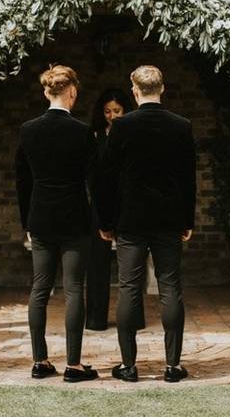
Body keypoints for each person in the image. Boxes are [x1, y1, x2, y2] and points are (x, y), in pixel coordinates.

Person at [97, 65, 196, 383]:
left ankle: (128, 366)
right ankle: (172, 366)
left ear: (135, 91)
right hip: (168, 219)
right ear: (162, 89)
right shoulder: (181, 126)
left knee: (128, 289)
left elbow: (107, 179)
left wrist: (105, 220)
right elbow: (188, 179)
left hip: (130, 221)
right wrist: (187, 219)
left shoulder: (121, 126)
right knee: (170, 288)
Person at [15, 65, 99, 383]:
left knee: (40, 288)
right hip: (75, 216)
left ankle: (40, 361)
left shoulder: (27, 130)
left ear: (46, 92)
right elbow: (96, 179)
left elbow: (22, 182)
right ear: (72, 91)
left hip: (40, 217)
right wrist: (103, 218)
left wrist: (27, 220)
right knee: (74, 288)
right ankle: (74, 366)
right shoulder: (83, 132)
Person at [85, 88, 142, 331]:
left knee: (132, 264)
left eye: (117, 111)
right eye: (107, 111)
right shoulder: (95, 135)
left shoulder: (134, 133)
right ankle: (96, 319)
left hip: (128, 202)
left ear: (126, 110)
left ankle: (133, 319)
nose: (112, 115)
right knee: (97, 263)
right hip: (99, 202)